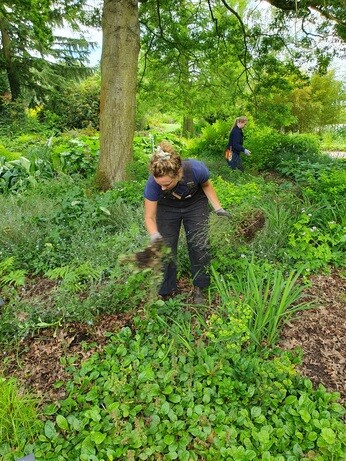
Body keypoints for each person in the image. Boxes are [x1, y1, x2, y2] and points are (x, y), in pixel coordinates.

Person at [144, 141, 230, 304]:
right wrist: (155, 235)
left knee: (199, 244)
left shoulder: (196, 170)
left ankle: (200, 287)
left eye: (167, 184)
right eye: (159, 184)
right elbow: (149, 217)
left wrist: (218, 208)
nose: (162, 188)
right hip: (167, 208)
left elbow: (206, 185)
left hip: (195, 204)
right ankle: (167, 290)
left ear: (178, 173)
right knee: (166, 248)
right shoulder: (154, 184)